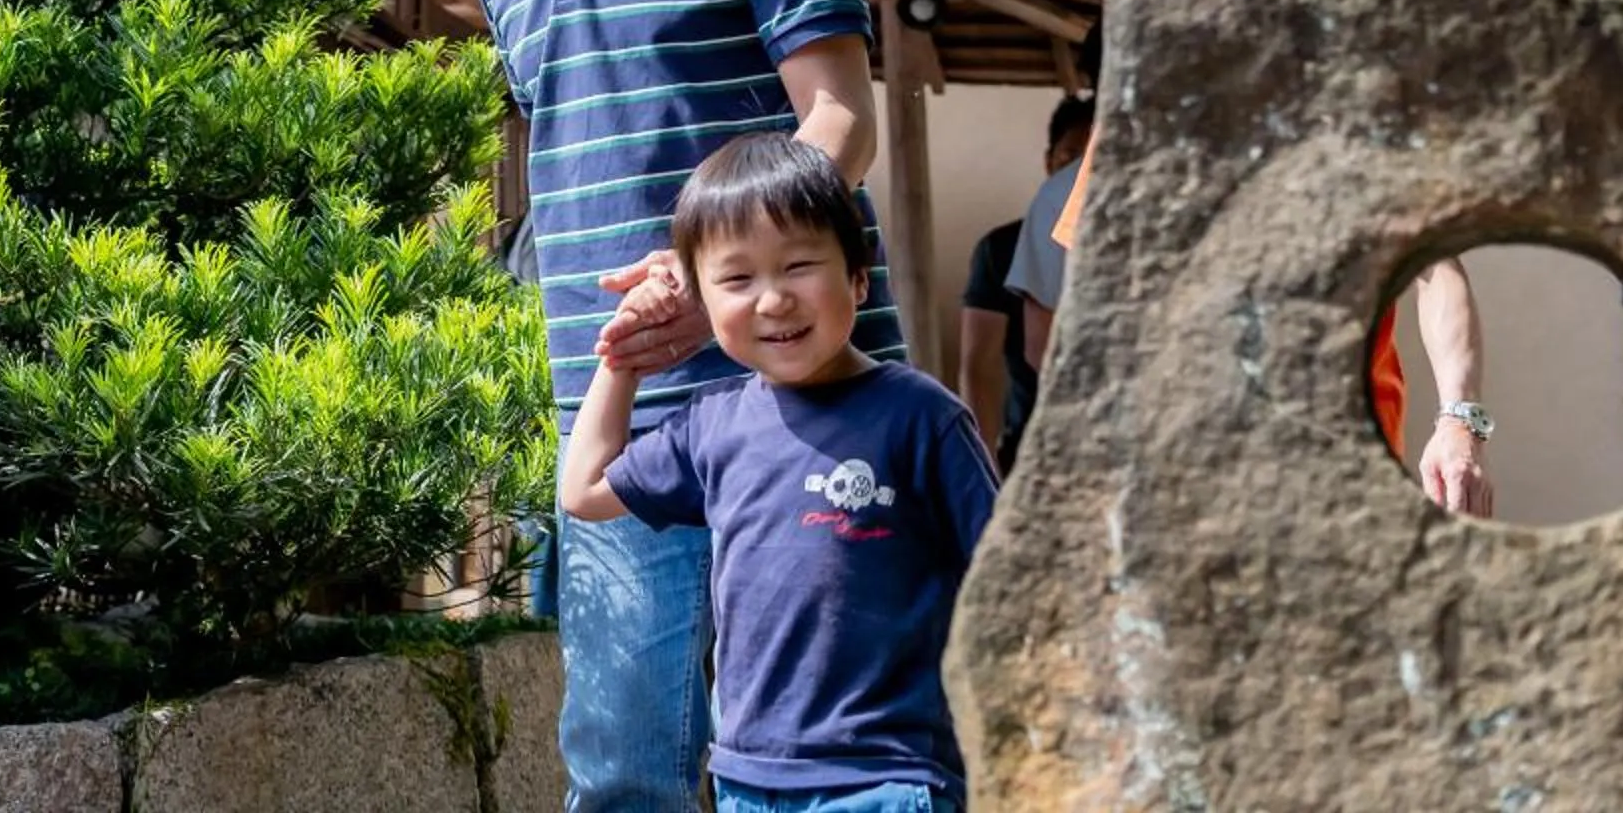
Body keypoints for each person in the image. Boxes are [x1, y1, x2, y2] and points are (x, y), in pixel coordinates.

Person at [461, 0, 901, 813]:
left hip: (800, 401)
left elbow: (838, 115)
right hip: (612, 417)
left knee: (841, 759)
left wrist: (703, 271)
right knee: (624, 770)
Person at [560, 133, 995, 813]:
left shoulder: (921, 417)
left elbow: (1005, 571)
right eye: (736, 279)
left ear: (858, 274)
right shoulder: (716, 427)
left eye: (798, 266)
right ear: (701, 302)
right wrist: (621, 360)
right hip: (748, 783)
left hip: (891, 780)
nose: (772, 300)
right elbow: (583, 491)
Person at [1032, 127, 1496, 515]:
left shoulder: (1367, 99)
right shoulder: (1146, 105)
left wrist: (1460, 422)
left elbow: (1436, 267)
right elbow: (1100, 299)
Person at [958, 96, 1094, 472]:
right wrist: (983, 466)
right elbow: (979, 366)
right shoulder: (1000, 249)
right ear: (1049, 161)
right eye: (1070, 158)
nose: (1080, 176)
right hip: (1032, 444)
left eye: (1092, 161)